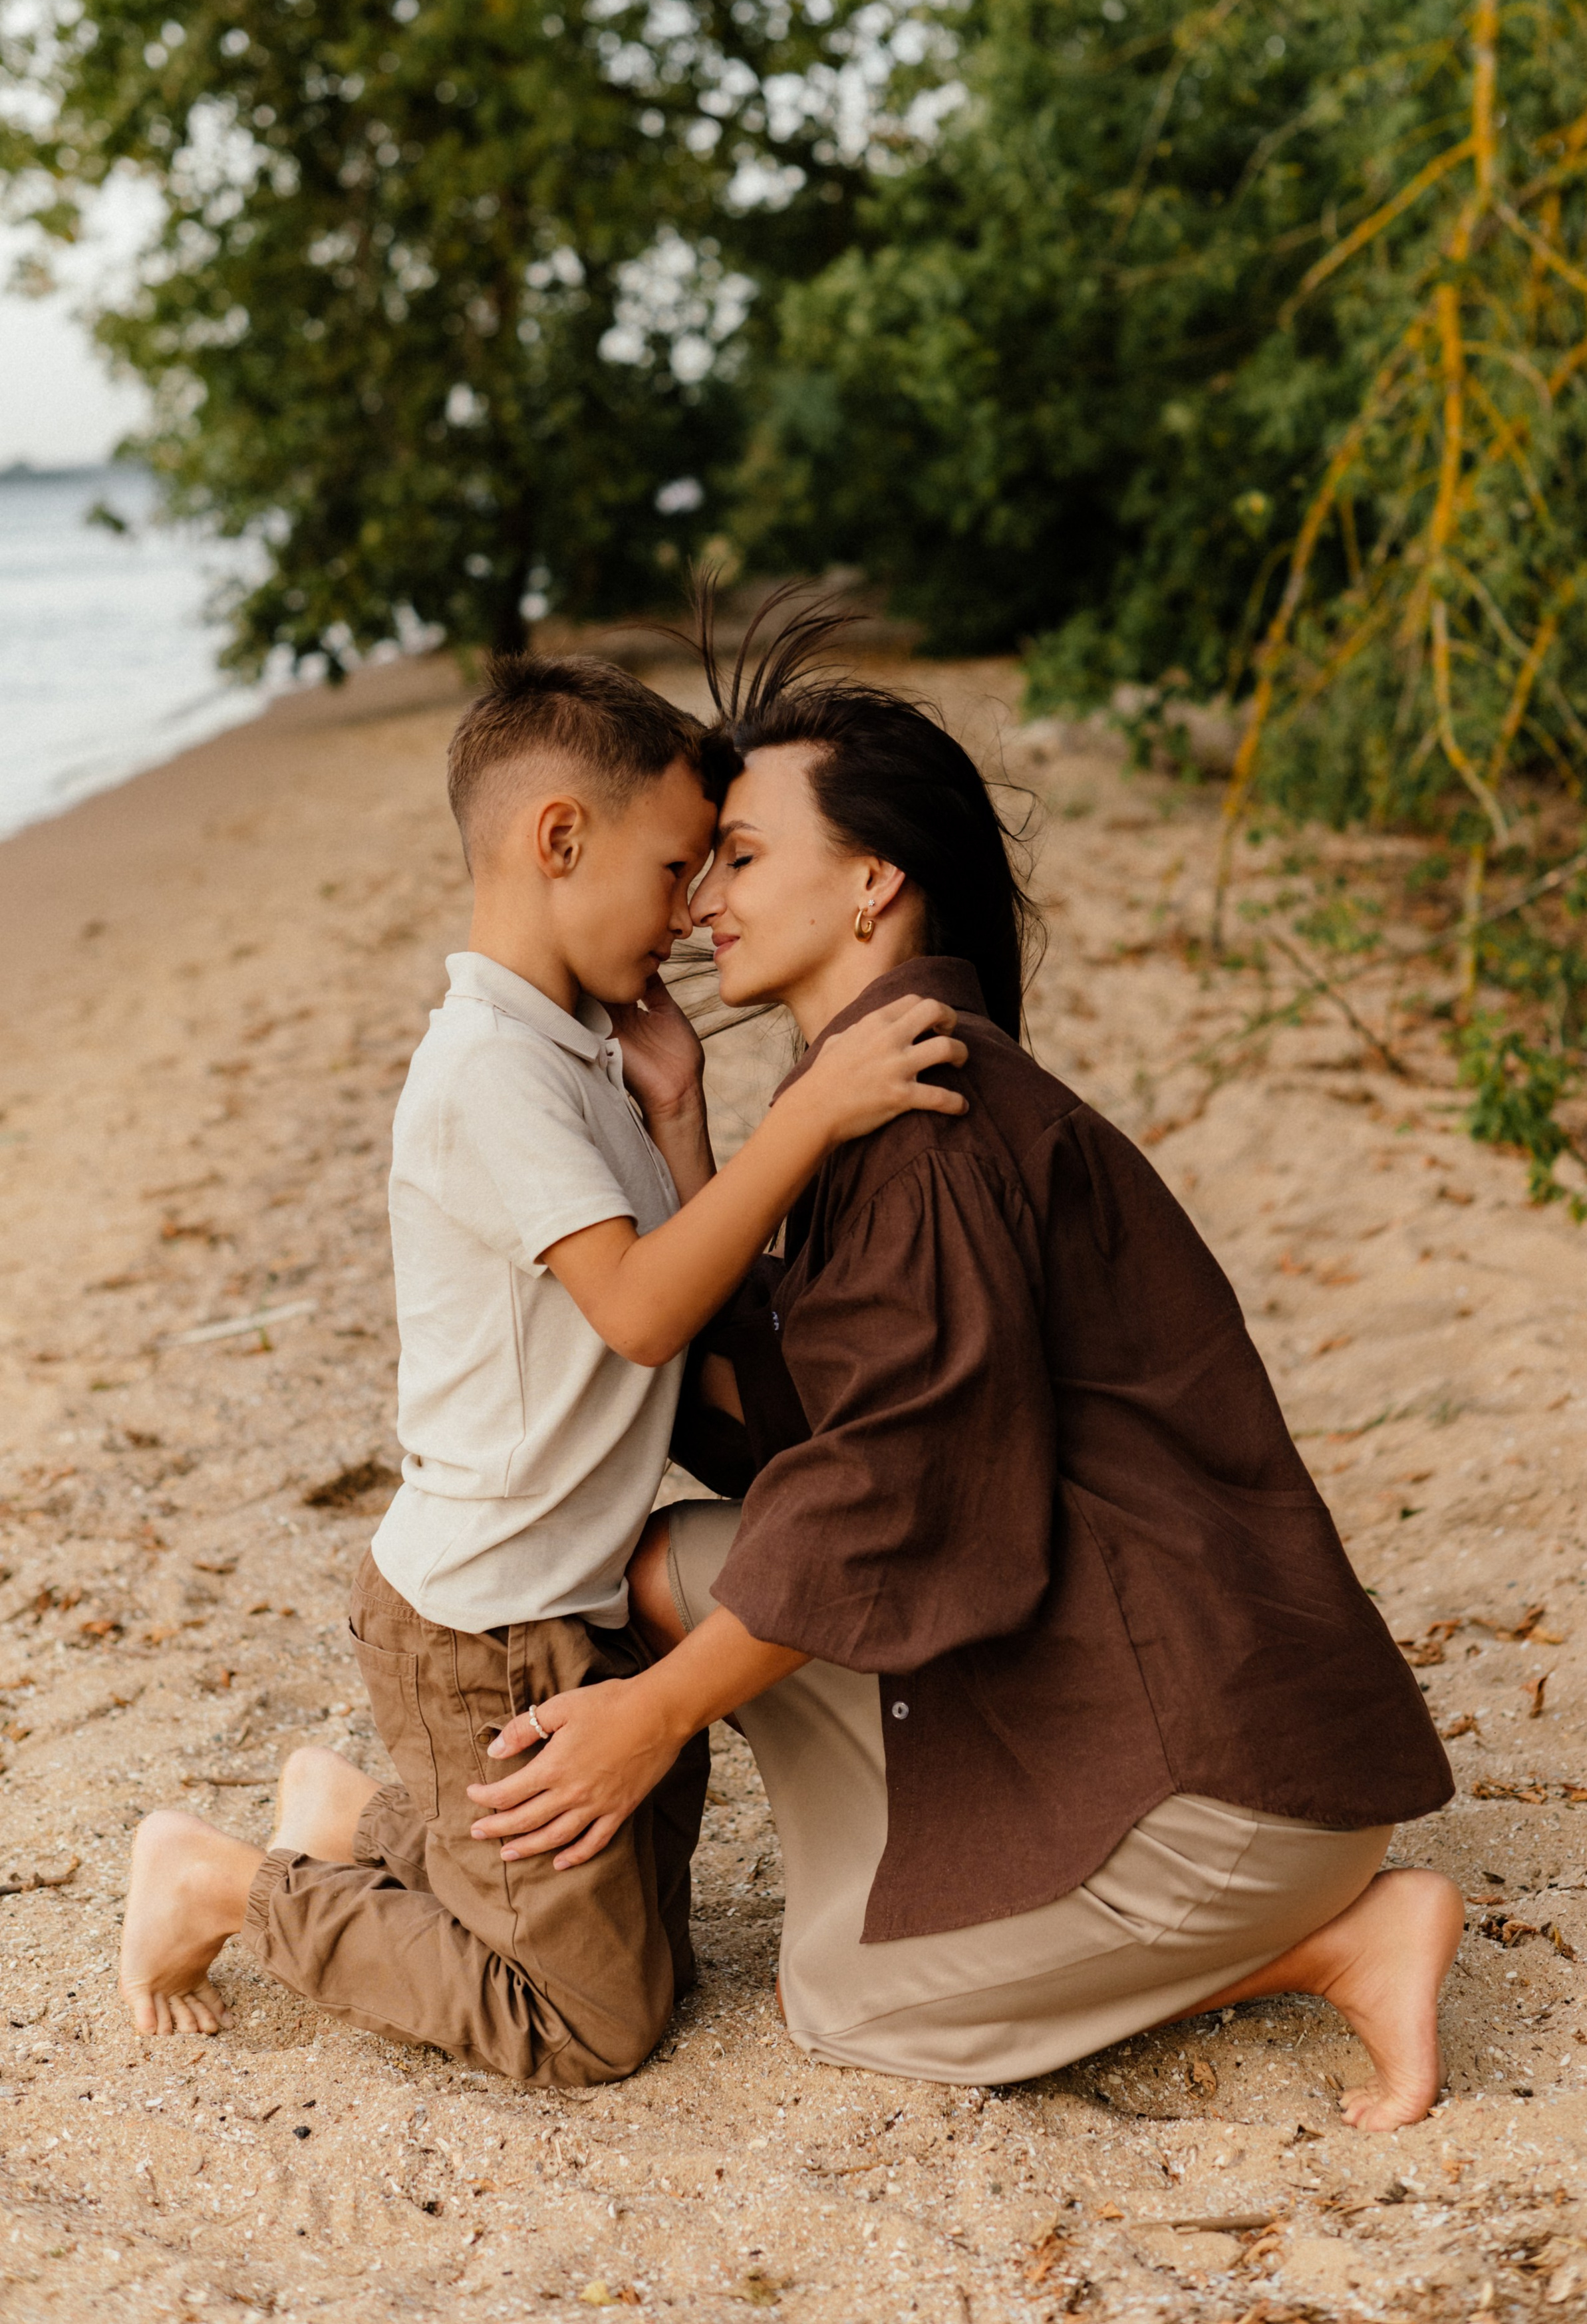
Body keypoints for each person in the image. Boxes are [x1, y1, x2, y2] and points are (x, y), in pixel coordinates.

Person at [460, 611, 1463, 2132]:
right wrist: (683, 1138)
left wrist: (656, 1712)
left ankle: (1336, 1941)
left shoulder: (918, 1127)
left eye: (737, 854)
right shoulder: (891, 1089)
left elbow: (890, 1493)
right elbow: (811, 1406)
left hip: (1228, 1779)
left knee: (842, 2002)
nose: (700, 901)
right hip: (1133, 1655)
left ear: (871, 881)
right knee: (665, 1558)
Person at [117, 653, 968, 2089]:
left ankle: (365, 1818)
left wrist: (689, 1109)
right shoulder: (485, 1074)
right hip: (485, 1619)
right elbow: (641, 1311)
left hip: (570, 1594)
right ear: (558, 839)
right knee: (587, 2022)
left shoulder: (582, 1055)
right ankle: (219, 1883)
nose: (695, 910)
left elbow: (683, 1290)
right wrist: (808, 1115)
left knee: (651, 1943)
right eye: (676, 866)